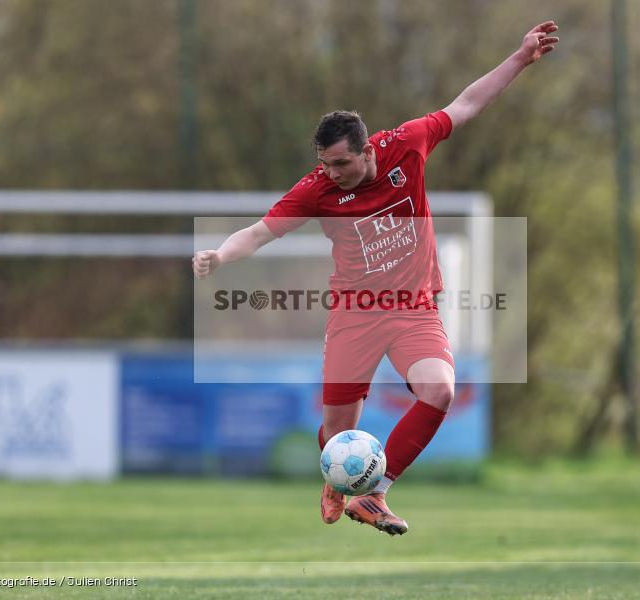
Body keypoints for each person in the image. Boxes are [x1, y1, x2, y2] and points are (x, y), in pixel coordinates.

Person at [193, 21, 559, 535]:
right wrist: (220, 255)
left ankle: (376, 495)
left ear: (367, 151)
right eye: (324, 163)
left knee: (440, 391)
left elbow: (468, 103)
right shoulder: (318, 190)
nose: (332, 172)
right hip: (355, 312)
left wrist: (520, 58)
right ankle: (336, 482)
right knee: (337, 432)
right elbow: (259, 232)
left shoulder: (407, 145)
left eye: (340, 162)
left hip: (413, 308)